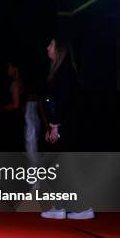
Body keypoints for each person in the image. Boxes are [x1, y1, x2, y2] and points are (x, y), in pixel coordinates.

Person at [40, 39, 94, 220]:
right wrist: (52, 125)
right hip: (64, 124)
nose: (47, 48)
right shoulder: (59, 71)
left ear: (59, 49)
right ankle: (61, 205)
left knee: (66, 166)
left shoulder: (65, 72)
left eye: (51, 45)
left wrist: (55, 125)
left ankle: (83, 207)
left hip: (69, 126)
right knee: (58, 166)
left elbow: (61, 101)